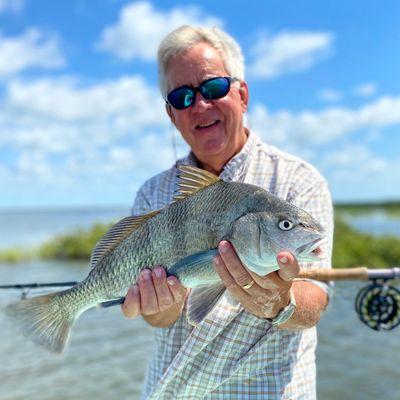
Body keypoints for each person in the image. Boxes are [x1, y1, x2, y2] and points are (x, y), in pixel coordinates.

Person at [121, 25, 333, 400]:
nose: (200, 105)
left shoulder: (299, 181)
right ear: (171, 114)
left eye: (214, 88)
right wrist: (159, 307)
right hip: (170, 391)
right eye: (182, 97)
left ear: (242, 94)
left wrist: (280, 302)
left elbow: (315, 296)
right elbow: (157, 318)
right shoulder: (153, 194)